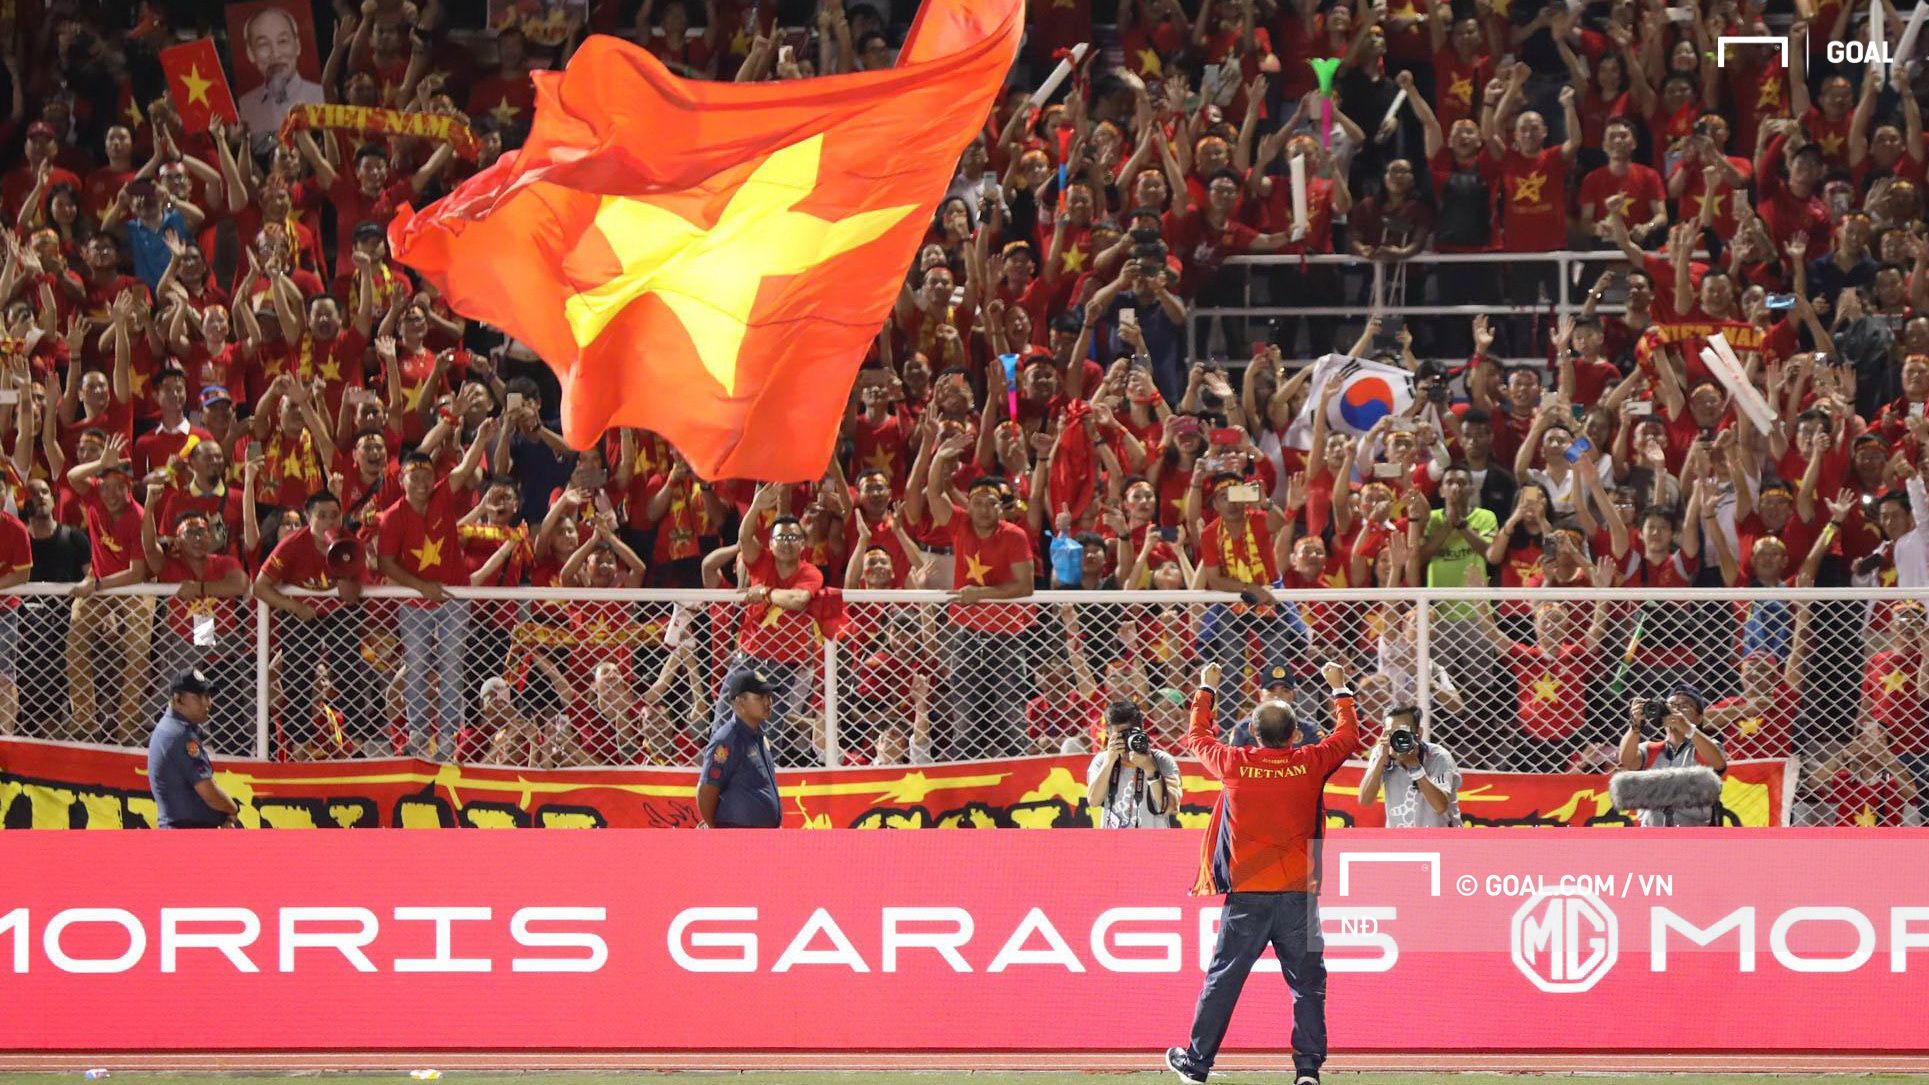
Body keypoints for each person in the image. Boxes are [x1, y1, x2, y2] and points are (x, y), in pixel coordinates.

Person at [1169, 660, 1358, 1085]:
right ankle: (1307, 1070)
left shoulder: (1233, 763)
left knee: (1224, 980)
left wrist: (1206, 689)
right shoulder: (1311, 762)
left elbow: (1197, 737)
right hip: (1298, 898)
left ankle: (1197, 1064)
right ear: (1296, 735)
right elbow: (1348, 737)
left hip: (1247, 897)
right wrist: (1340, 689)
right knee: (1307, 985)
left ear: (1252, 732)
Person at [1617, 687, 1728, 826]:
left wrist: (1688, 729)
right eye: (1671, 705)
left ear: (1699, 718)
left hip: (1694, 830)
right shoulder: (1650, 749)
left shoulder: (1706, 746)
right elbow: (1627, 760)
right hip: (1652, 831)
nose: (1676, 709)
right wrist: (1635, 725)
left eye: (1685, 705)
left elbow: (1718, 763)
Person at [146, 669, 240, 829]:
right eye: (199, 697)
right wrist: (232, 809)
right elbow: (208, 791)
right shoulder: (180, 734)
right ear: (178, 699)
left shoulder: (172, 727)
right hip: (186, 834)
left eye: (208, 696)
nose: (208, 703)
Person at [696, 668, 783, 829]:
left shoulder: (758, 736)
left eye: (769, 696)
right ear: (740, 702)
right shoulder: (727, 740)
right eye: (760, 697)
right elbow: (706, 790)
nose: (768, 702)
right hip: (738, 834)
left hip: (759, 835)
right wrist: (715, 828)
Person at [236, 4, 327, 148]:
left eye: (283, 41)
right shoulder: (246, 107)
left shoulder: (319, 97)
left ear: (297, 45)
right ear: (250, 53)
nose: (276, 54)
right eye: (263, 44)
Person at [1357, 704, 1462, 827]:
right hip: (1400, 836)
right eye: (1392, 733)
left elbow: (1441, 807)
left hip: (1439, 835)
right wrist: (1381, 759)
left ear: (1419, 733)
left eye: (1403, 733)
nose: (1399, 739)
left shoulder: (1438, 756)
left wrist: (1415, 766)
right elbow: (1365, 800)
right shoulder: (1382, 753)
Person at [1085, 700, 1182, 828]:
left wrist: (1150, 768)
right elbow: (1093, 801)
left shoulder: (1162, 760)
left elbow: (1171, 807)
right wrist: (1109, 762)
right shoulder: (1102, 760)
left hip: (1153, 839)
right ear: (1108, 733)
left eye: (1129, 734)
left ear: (1141, 729)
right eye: (1120, 736)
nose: (1126, 741)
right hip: (1114, 840)